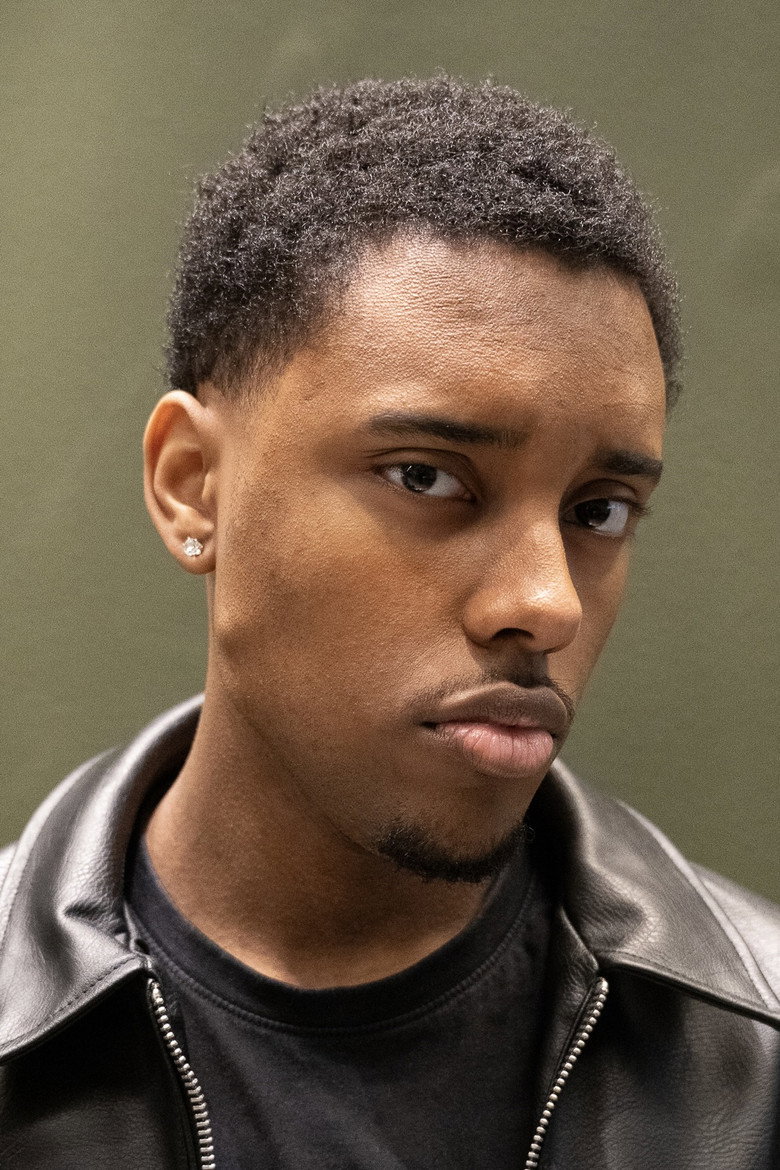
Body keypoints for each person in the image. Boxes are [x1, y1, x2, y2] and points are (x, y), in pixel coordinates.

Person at [0, 76, 777, 1170]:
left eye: (599, 511)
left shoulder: (758, 1059)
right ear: (192, 486)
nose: (547, 603)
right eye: (427, 476)